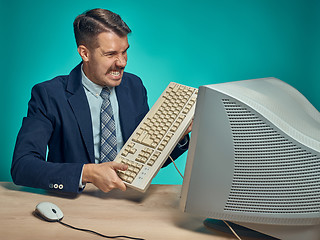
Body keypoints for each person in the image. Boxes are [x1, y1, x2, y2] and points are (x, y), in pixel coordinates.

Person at [11, 8, 191, 194]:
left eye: (124, 52)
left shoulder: (134, 86)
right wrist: (87, 173)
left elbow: (146, 157)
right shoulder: (49, 95)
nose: (122, 62)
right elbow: (22, 166)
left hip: (129, 199)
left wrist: (177, 135)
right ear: (85, 53)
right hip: (76, 202)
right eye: (111, 54)